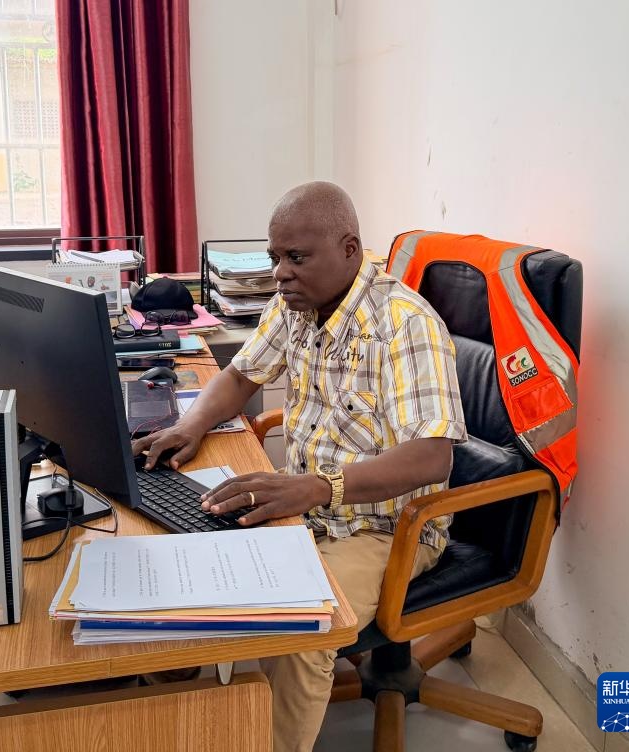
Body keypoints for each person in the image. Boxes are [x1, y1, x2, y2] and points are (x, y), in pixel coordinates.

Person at [132, 181, 467, 752]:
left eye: (296, 257)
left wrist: (317, 487)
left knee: (299, 632)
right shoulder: (295, 307)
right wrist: (190, 426)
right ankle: (184, 717)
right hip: (307, 507)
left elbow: (432, 455)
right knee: (181, 564)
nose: (280, 273)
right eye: (274, 257)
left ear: (349, 249)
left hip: (385, 528)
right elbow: (239, 375)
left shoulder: (405, 323)